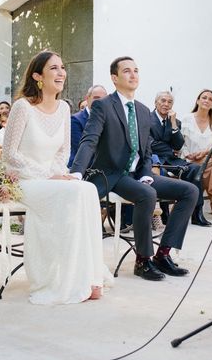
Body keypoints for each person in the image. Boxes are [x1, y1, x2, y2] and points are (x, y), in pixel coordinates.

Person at [71, 56, 199, 281]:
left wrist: (147, 174)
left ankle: (163, 254)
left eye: (136, 70)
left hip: (137, 173)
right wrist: (77, 172)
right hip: (111, 174)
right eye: (127, 71)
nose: (133, 75)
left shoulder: (142, 110)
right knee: (147, 195)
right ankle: (143, 260)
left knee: (190, 191)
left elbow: (146, 151)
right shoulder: (103, 105)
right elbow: (89, 140)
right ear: (114, 78)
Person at [2, 50, 110, 304]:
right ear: (38, 76)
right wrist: (48, 175)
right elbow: (10, 154)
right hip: (25, 180)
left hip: (51, 178)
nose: (61, 72)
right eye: (54, 68)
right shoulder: (22, 107)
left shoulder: (64, 108)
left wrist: (59, 174)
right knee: (75, 191)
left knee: (86, 189)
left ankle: (90, 277)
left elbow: (63, 152)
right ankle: (64, 280)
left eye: (62, 67)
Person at [150, 90, 212, 226]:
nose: (166, 104)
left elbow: (178, 145)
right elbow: (150, 144)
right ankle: (165, 213)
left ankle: (197, 213)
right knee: (163, 174)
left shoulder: (175, 122)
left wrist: (173, 125)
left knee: (195, 169)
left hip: (173, 160)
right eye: (163, 101)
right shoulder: (146, 119)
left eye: (170, 102)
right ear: (156, 103)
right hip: (154, 160)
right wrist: (169, 148)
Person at [179, 89, 212, 217]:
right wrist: (188, 155)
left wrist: (205, 152)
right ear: (198, 100)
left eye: (210, 99)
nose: (207, 100)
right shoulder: (187, 118)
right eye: (204, 97)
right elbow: (181, 143)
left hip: (209, 160)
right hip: (191, 161)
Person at [68, 85, 107, 167]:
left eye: (103, 99)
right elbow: (81, 149)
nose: (100, 101)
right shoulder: (75, 120)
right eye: (96, 98)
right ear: (87, 98)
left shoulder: (109, 119)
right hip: (81, 168)